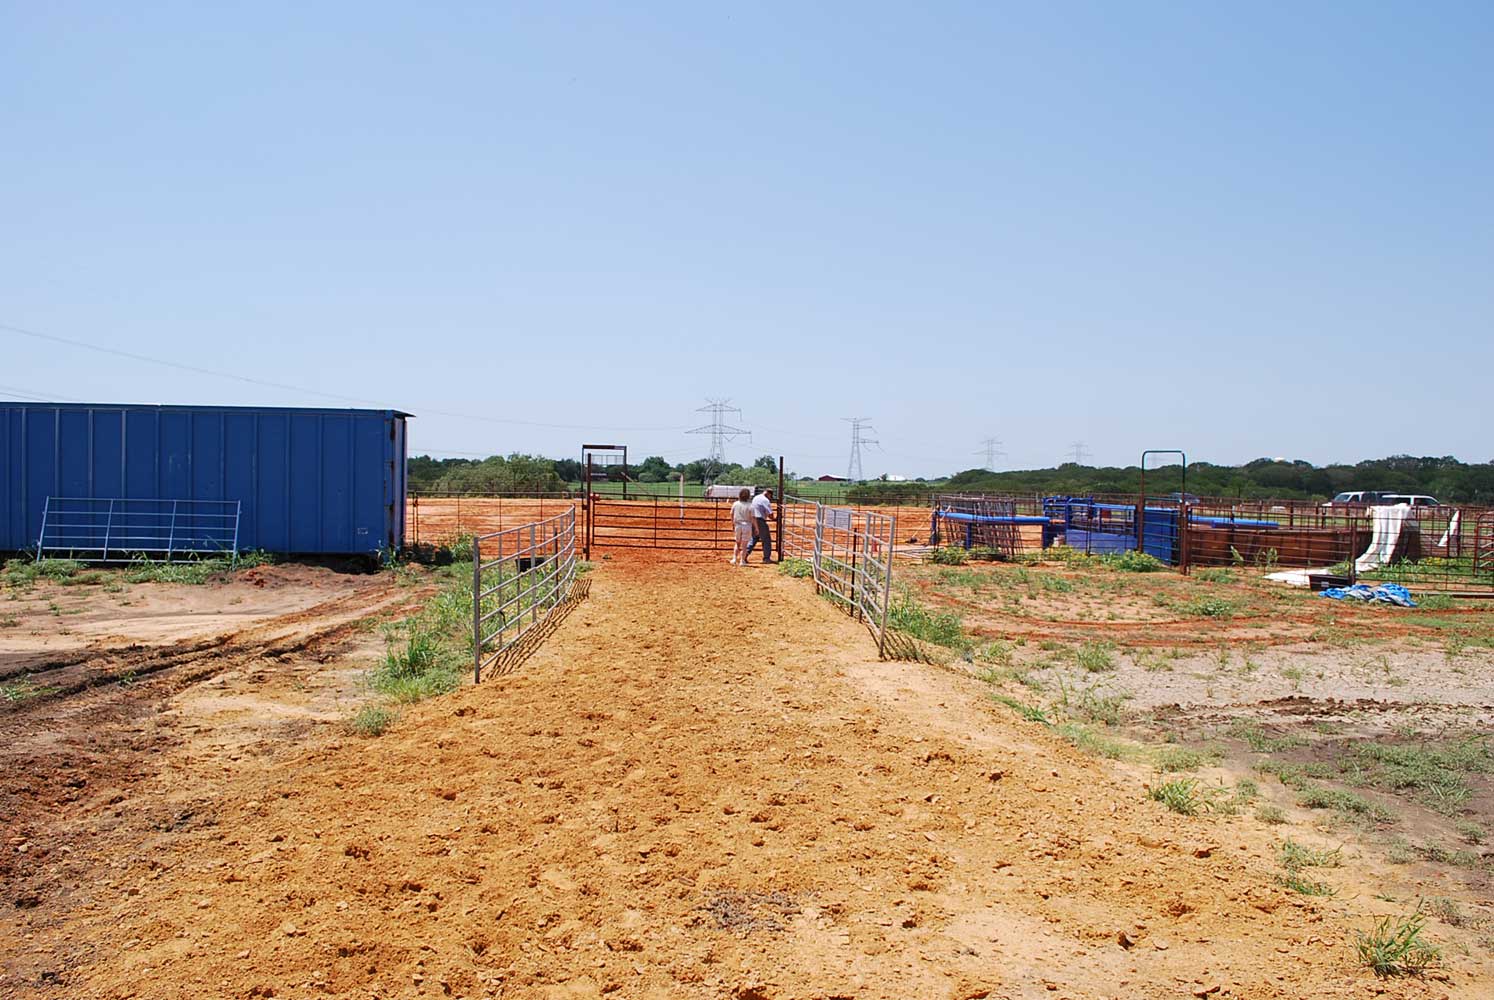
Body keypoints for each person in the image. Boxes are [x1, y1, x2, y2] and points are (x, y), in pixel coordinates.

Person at [744, 486, 775, 563]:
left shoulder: (756, 497)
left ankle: (745, 554)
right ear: (768, 494)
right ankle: (766, 558)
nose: (770, 498)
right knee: (766, 539)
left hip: (752, 519)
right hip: (760, 520)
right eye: (770, 496)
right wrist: (774, 518)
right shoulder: (765, 500)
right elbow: (770, 514)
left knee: (754, 538)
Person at [730, 487, 755, 567]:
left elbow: (731, 514)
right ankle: (742, 561)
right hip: (747, 525)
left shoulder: (735, 504)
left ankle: (734, 559)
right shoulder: (750, 506)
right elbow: (753, 518)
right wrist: (756, 527)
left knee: (737, 543)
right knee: (744, 545)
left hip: (738, 524)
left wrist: (733, 524)